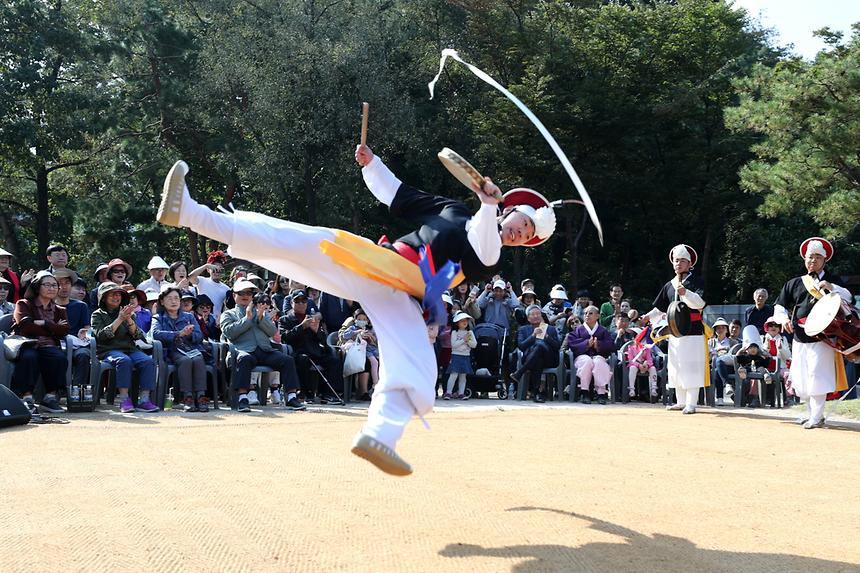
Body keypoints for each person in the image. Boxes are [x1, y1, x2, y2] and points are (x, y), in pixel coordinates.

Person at [156, 140, 558, 475]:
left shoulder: (490, 251)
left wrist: (487, 207)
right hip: (382, 265)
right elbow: (398, 193)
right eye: (520, 223)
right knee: (297, 240)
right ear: (511, 211)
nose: (518, 233)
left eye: (524, 236)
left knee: (418, 364)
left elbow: (484, 251)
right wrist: (372, 164)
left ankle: (379, 437)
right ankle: (190, 213)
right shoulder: (453, 209)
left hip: (404, 292)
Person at [773, 237, 852, 428]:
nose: (813, 261)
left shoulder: (833, 281)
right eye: (810, 257)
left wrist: (832, 288)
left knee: (818, 375)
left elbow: (849, 299)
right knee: (802, 377)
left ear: (825, 260)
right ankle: (811, 413)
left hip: (823, 337)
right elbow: (779, 306)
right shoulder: (794, 283)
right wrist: (783, 319)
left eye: (817, 257)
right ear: (804, 259)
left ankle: (817, 416)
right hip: (799, 337)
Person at [221, 279, 305, 412]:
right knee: (244, 359)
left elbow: (272, 332)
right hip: (243, 351)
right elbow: (230, 333)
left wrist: (260, 318)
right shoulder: (228, 314)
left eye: (248, 293)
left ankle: (291, 396)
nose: (245, 295)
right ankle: (243, 398)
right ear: (234, 295)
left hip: (264, 350)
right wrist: (247, 319)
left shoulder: (261, 312)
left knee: (287, 360)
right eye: (241, 292)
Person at [642, 244, 708, 414]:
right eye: (676, 260)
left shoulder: (696, 281)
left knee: (692, 366)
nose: (678, 263)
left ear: (689, 264)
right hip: (674, 331)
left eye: (682, 261)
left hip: (693, 330)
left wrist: (686, 293)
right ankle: (680, 401)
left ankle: (692, 403)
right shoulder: (669, 285)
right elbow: (660, 308)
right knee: (676, 365)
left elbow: (700, 303)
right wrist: (648, 316)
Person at [91, 282, 159, 413]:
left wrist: (129, 319)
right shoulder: (97, 314)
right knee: (124, 361)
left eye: (118, 294)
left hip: (129, 349)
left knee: (148, 361)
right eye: (112, 294)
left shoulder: (129, 312)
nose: (116, 297)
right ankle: (124, 399)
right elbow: (102, 336)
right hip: (108, 350)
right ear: (104, 297)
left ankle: (144, 399)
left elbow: (138, 335)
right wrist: (119, 319)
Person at [10, 271, 69, 413]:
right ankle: (27, 398)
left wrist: (43, 323)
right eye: (47, 285)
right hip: (27, 343)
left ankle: (49, 398)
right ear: (37, 287)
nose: (52, 288)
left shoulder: (60, 310)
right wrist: (53, 327)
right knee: (29, 357)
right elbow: (26, 326)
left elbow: (65, 330)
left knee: (59, 358)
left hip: (48, 345)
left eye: (55, 285)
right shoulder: (23, 304)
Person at [279, 289, 343, 404]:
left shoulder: (312, 318)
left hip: (315, 351)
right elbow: (285, 337)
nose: (301, 304)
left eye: (304, 301)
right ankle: (305, 393)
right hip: (298, 352)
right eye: (297, 301)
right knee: (303, 360)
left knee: (334, 360)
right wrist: (301, 327)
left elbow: (323, 339)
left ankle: (328, 394)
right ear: (292, 303)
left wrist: (316, 331)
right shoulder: (285, 319)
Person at [151, 287, 210, 412]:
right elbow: (156, 334)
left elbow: (199, 336)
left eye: (177, 298)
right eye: (170, 298)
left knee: (198, 358)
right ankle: (187, 397)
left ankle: (200, 396)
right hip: (172, 350)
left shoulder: (189, 316)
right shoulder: (158, 317)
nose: (174, 301)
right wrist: (179, 334)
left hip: (190, 348)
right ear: (162, 301)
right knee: (185, 360)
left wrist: (188, 335)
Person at [511, 304, 560, 403]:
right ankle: (537, 393)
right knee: (538, 358)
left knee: (540, 347)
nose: (536, 316)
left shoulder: (550, 329)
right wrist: (533, 336)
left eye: (538, 314)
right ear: (528, 318)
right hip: (531, 359)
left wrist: (547, 337)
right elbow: (521, 346)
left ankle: (520, 372)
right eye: (533, 315)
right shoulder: (523, 329)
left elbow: (557, 346)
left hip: (549, 358)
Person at [53, 268, 92, 395]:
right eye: (60, 283)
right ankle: (55, 393)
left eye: (67, 283)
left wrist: (84, 332)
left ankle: (77, 393)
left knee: (84, 355)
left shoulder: (81, 306)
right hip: (55, 343)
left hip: (77, 344)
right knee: (55, 356)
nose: (63, 287)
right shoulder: (49, 305)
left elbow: (87, 328)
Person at [567, 305, 614, 404]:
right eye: (585, 313)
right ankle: (585, 392)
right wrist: (586, 344)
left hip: (598, 356)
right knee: (587, 361)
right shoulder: (578, 330)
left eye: (590, 313)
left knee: (598, 362)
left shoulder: (603, 330)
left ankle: (601, 393)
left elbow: (610, 345)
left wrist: (598, 345)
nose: (587, 315)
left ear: (597, 316)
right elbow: (572, 343)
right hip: (582, 357)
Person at [339, 308, 380, 400]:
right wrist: (357, 333)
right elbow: (343, 335)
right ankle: (364, 391)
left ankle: (376, 387)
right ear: (355, 319)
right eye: (359, 319)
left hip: (369, 351)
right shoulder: (351, 325)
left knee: (378, 361)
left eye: (364, 319)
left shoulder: (370, 328)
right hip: (356, 352)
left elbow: (376, 342)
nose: (362, 321)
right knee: (367, 362)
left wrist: (370, 338)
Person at [735, 325, 772, 408]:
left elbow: (766, 363)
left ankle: (766, 375)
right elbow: (737, 358)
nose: (753, 349)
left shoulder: (759, 357)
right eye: (751, 347)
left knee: (762, 368)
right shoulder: (745, 357)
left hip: (758, 369)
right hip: (748, 369)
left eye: (755, 347)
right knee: (745, 368)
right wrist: (741, 350)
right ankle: (742, 372)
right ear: (747, 349)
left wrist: (767, 355)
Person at [443, 311, 477, 400]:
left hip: (465, 356)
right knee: (453, 374)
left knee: (463, 375)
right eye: (462, 321)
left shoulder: (470, 332)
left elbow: (474, 344)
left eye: (466, 320)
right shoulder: (454, 332)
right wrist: (464, 340)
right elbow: (453, 345)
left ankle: (461, 393)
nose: (464, 322)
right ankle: (448, 392)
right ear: (457, 323)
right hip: (456, 355)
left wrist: (467, 341)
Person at [189, 250, 231, 319]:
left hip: (215, 322)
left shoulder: (226, 288)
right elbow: (190, 277)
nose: (216, 272)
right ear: (208, 270)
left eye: (219, 269)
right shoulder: (202, 281)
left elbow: (227, 307)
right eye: (214, 269)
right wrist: (206, 266)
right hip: (200, 319)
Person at [763, 316, 793, 404]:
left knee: (788, 374)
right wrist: (767, 347)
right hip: (766, 368)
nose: (773, 327)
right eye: (771, 325)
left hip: (780, 367)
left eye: (776, 325)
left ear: (779, 328)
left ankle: (789, 397)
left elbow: (788, 356)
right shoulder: (763, 338)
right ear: (767, 328)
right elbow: (762, 354)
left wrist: (781, 348)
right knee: (758, 375)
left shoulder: (783, 339)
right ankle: (757, 398)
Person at [626, 329, 659, 399]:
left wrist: (647, 364)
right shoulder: (631, 348)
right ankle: (631, 389)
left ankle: (654, 388)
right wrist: (638, 365)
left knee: (653, 368)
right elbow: (631, 360)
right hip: (635, 365)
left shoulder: (646, 348)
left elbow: (649, 359)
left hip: (645, 365)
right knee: (632, 368)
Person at [709, 317, 734, 405]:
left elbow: (735, 355)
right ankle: (726, 386)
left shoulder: (732, 342)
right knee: (717, 367)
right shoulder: (710, 342)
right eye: (718, 328)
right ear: (715, 330)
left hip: (729, 366)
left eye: (723, 328)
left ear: (727, 330)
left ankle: (720, 397)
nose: (720, 330)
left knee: (718, 365)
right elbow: (708, 357)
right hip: (714, 365)